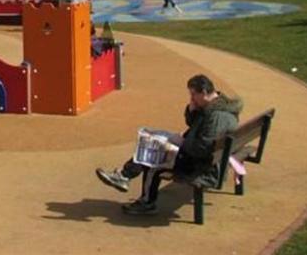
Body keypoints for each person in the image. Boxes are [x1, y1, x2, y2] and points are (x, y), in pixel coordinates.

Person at [95, 74, 242, 215]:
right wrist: (192, 110)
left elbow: (201, 149)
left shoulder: (216, 117)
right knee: (154, 141)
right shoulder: (217, 107)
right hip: (209, 159)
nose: (191, 99)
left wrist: (182, 142)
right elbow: (197, 127)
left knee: (153, 157)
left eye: (193, 95)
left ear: (203, 92)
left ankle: (145, 201)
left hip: (202, 166)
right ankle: (124, 175)